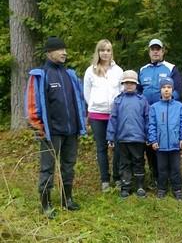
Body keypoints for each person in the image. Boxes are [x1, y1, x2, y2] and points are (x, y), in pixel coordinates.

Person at [25, 36, 86, 219]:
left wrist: (81, 122)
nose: (64, 53)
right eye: (60, 50)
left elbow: (79, 101)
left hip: (71, 131)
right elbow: (32, 104)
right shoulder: (40, 75)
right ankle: (46, 204)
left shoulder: (70, 75)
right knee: (48, 168)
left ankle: (66, 199)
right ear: (49, 52)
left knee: (69, 166)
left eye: (65, 49)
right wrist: (38, 127)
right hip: (51, 132)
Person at [138, 38, 182, 187]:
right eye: (153, 49)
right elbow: (138, 93)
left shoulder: (171, 68)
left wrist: (164, 104)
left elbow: (178, 90)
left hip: (166, 113)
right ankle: (156, 176)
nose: (155, 51)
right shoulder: (143, 70)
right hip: (146, 115)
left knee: (167, 143)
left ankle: (171, 177)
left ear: (163, 51)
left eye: (158, 49)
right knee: (151, 143)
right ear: (149, 51)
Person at [83, 39, 123, 192]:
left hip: (114, 115)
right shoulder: (90, 71)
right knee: (101, 148)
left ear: (112, 52)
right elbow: (87, 93)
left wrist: (116, 109)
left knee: (118, 147)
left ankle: (117, 178)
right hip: (97, 116)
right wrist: (95, 105)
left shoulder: (118, 70)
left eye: (108, 50)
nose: (105, 53)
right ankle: (105, 180)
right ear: (98, 52)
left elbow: (121, 91)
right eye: (102, 50)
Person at [106, 70, 149, 198]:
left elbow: (147, 118)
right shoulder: (118, 100)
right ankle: (126, 187)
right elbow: (113, 119)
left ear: (136, 84)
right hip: (122, 138)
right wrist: (110, 136)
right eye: (126, 83)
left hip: (138, 138)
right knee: (124, 163)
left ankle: (140, 186)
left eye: (132, 83)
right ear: (123, 84)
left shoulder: (142, 100)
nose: (129, 85)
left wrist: (149, 136)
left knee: (138, 161)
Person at [148, 77, 182, 200]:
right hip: (161, 144)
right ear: (160, 90)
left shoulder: (179, 106)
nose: (166, 90)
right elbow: (152, 125)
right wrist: (153, 140)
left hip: (175, 144)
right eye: (164, 87)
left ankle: (177, 189)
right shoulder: (154, 107)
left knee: (175, 168)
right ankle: (161, 189)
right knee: (162, 168)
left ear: (173, 90)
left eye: (169, 87)